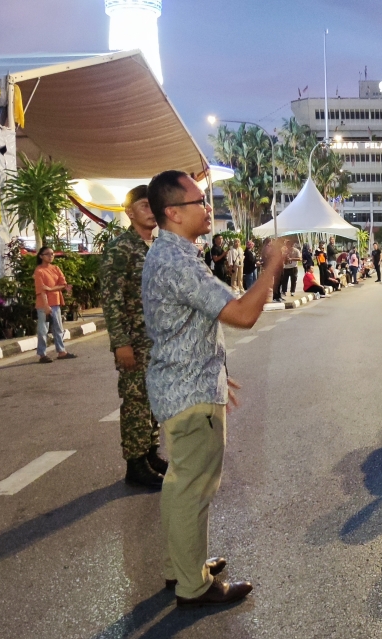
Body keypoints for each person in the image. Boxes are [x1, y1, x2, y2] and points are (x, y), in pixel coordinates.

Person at [142, 169, 288, 608]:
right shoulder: (178, 261)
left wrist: (218, 375)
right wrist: (271, 268)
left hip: (183, 384)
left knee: (180, 485)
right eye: (198, 202)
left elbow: (189, 326)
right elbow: (242, 314)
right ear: (172, 212)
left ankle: (182, 567)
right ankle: (194, 585)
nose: (208, 208)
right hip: (190, 395)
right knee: (193, 488)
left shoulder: (170, 254)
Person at [101, 185, 167, 490]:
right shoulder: (120, 248)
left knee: (152, 400)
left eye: (153, 205)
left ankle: (150, 453)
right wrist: (121, 343)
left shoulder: (157, 245)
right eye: (144, 206)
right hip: (135, 342)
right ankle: (135, 464)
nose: (151, 211)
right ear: (129, 212)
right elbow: (112, 299)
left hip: (156, 341)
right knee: (136, 402)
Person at [33, 246, 76, 364]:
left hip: (56, 302)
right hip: (44, 304)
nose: (51, 256)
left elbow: (63, 284)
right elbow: (41, 290)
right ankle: (42, 354)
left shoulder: (56, 268)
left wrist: (51, 288)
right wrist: (46, 305)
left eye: (52, 254)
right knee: (43, 330)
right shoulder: (39, 271)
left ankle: (61, 351)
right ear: (41, 256)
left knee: (58, 328)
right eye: (47, 254)